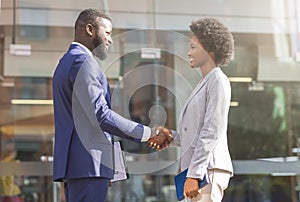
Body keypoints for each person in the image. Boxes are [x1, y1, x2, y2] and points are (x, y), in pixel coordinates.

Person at [52, 8, 172, 202]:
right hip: (89, 166)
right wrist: (148, 133)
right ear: (90, 29)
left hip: (83, 167)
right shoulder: (83, 62)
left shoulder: (65, 62)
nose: (110, 40)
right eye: (107, 33)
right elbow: (101, 115)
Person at [149, 17, 234, 201]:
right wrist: (171, 136)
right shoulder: (205, 82)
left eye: (194, 47)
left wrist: (195, 174)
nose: (189, 52)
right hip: (199, 171)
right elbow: (195, 134)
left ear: (210, 49)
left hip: (207, 171)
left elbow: (212, 131)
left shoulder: (218, 81)